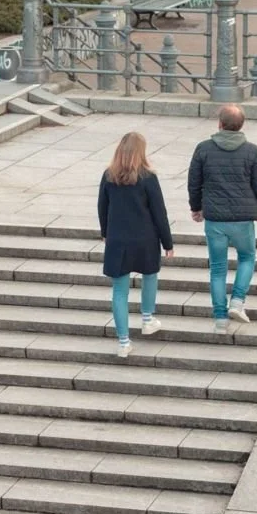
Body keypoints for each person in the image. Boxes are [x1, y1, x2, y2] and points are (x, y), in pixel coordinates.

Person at [187, 106, 257, 332]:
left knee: (217, 268)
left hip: (215, 219)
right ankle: (237, 301)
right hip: (243, 219)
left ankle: (220, 318)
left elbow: (194, 183)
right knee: (247, 257)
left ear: (220, 124)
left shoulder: (203, 149)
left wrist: (196, 208)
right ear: (241, 125)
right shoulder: (252, 151)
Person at [98, 132, 173, 358]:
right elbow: (159, 212)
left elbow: (102, 207)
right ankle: (147, 319)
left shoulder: (108, 176)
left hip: (118, 241)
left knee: (119, 292)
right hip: (145, 239)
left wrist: (105, 233)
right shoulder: (148, 177)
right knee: (150, 276)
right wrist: (167, 242)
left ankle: (123, 342)